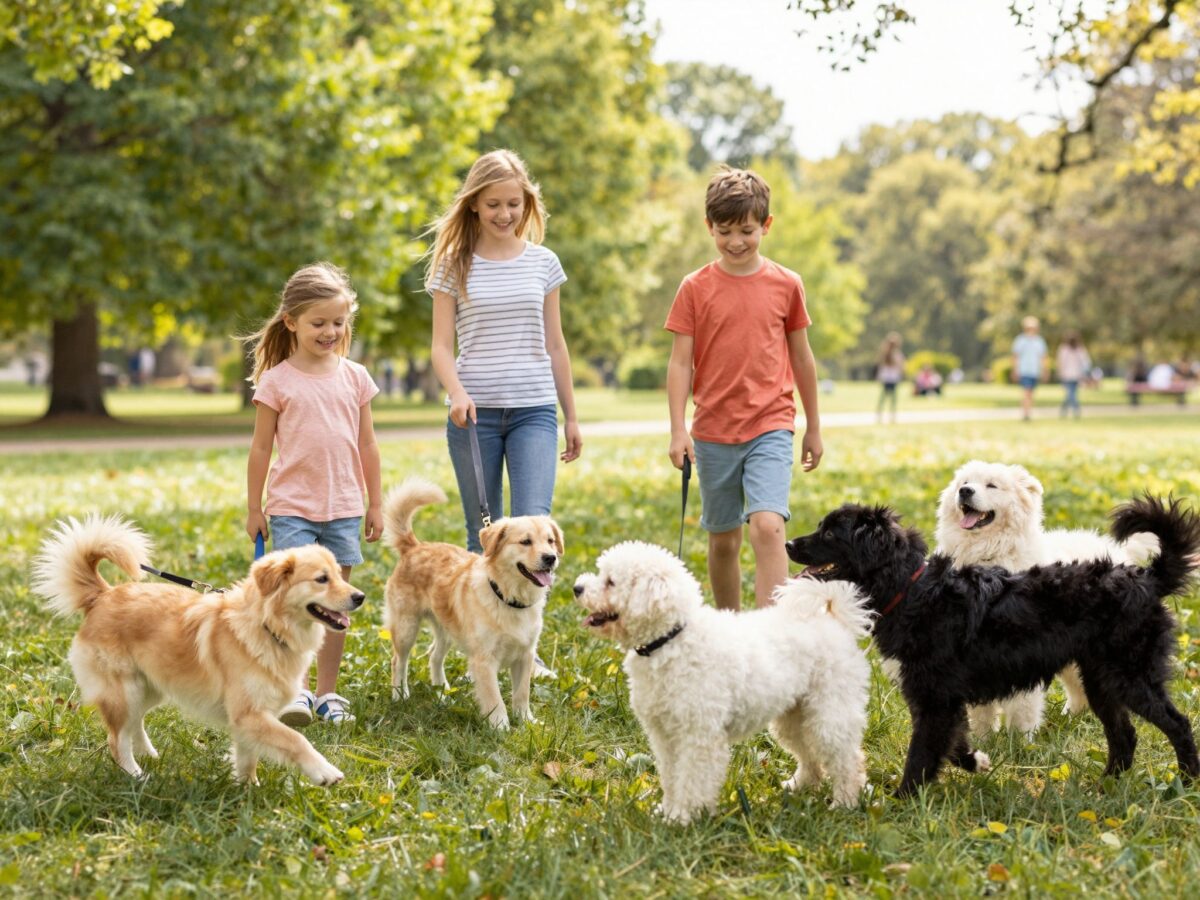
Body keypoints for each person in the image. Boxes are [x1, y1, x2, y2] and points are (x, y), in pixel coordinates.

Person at [425, 150, 582, 625]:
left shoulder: (543, 263)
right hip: (475, 416)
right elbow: (439, 347)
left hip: (535, 410)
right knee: (487, 535)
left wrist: (571, 415)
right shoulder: (453, 264)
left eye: (514, 203)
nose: (504, 214)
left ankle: (524, 644)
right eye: (493, 204)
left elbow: (556, 344)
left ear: (526, 203)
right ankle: (489, 632)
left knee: (534, 528)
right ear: (474, 204)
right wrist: (457, 392)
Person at [666, 165, 822, 611]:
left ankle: (772, 635)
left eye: (747, 231)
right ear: (709, 227)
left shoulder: (786, 284)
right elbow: (679, 363)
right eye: (725, 231)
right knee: (723, 542)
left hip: (770, 424)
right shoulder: (694, 288)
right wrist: (679, 429)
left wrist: (812, 426)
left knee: (768, 526)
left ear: (766, 226)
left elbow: (802, 358)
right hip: (713, 431)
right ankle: (731, 630)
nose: (736, 241)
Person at [244, 262, 382, 727]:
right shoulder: (277, 381)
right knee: (293, 604)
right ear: (291, 322)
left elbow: (367, 444)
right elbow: (261, 447)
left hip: (343, 508)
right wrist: (253, 507)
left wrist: (375, 502)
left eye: (338, 323)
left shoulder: (356, 376)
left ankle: (327, 693)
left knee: (335, 603)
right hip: (291, 509)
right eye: (318, 323)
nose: (330, 332)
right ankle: (295, 692)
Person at [1011, 315, 1048, 421]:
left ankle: (1027, 411)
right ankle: (1026, 413)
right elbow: (1015, 356)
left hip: (1034, 371)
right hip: (1024, 370)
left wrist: (1044, 370)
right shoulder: (1020, 340)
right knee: (1026, 392)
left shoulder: (1039, 341)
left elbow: (1043, 357)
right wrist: (1015, 369)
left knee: (1030, 394)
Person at [1055, 331, 1091, 418]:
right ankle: (1075, 410)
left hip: (1076, 375)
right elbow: (1060, 362)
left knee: (1071, 394)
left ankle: (1066, 409)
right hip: (1068, 375)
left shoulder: (1079, 349)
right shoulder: (1064, 349)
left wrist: (1085, 373)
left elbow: (1085, 362)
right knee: (1071, 394)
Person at [876, 332, 904, 423]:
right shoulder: (885, 354)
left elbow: (900, 366)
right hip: (888, 378)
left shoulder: (897, 354)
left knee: (892, 399)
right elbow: (882, 366)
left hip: (893, 378)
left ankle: (892, 416)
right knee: (884, 398)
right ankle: (880, 416)